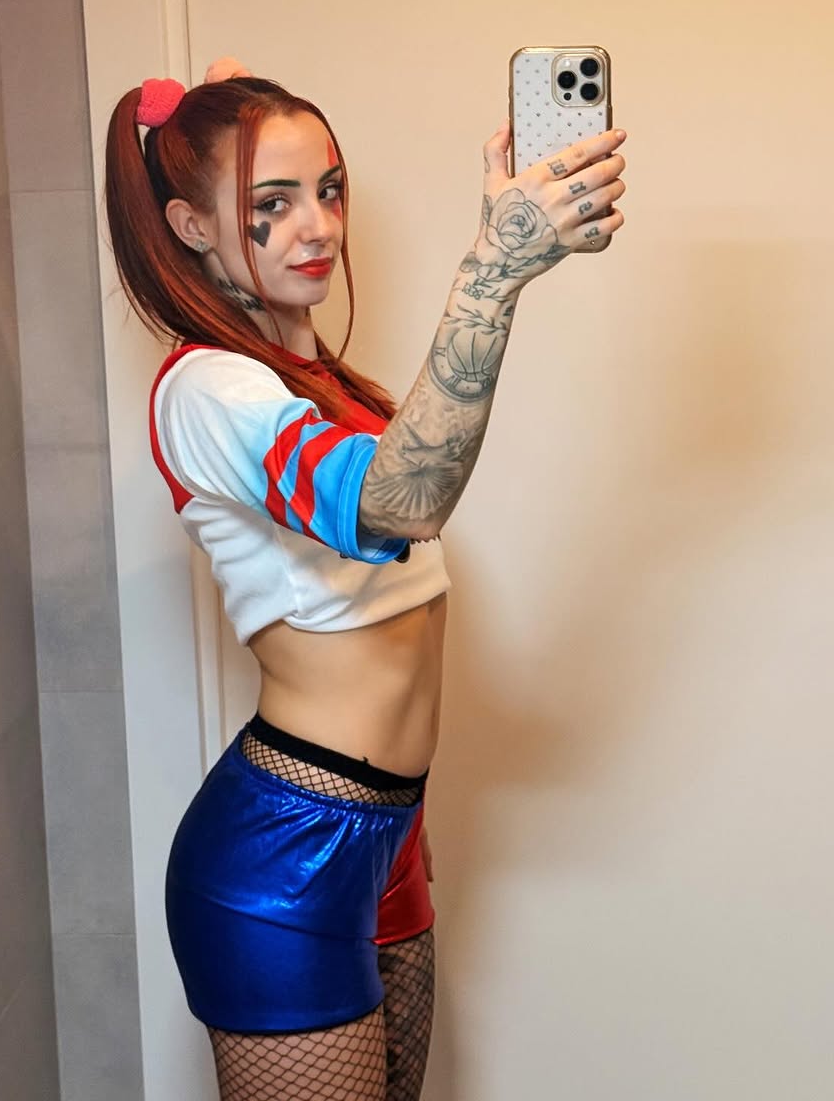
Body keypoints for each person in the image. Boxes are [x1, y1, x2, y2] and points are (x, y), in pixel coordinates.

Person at [104, 56, 627, 1101]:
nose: (318, 228)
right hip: (284, 853)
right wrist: (492, 274)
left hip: (388, 828)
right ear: (191, 226)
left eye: (328, 190)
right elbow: (394, 505)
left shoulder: (320, 385)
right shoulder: (208, 389)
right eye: (271, 204)